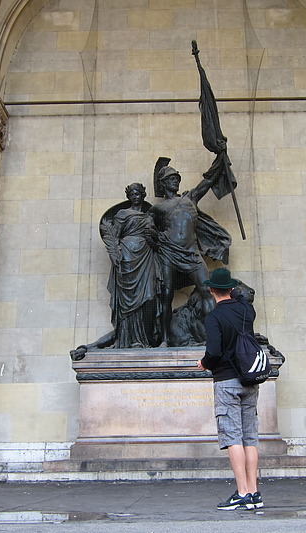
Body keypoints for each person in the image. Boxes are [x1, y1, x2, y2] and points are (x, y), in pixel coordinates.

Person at [197, 267, 262, 511]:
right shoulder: (246, 310)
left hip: (226, 380)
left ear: (211, 289)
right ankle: (254, 492)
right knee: (250, 438)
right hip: (249, 379)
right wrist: (235, 293)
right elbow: (243, 298)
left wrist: (205, 364)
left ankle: (243, 492)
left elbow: (213, 351)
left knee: (233, 437)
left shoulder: (214, 317)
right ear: (231, 289)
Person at [149, 161, 231, 346]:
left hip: (192, 253)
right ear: (162, 184)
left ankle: (214, 336)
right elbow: (144, 227)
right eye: (171, 179)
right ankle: (164, 339)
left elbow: (208, 180)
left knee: (207, 291)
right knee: (166, 294)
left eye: (177, 178)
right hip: (168, 253)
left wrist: (220, 158)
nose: (175, 181)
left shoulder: (190, 198)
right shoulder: (157, 209)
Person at [99, 183, 161, 348]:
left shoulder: (149, 217)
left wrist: (152, 236)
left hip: (146, 257)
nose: (135, 196)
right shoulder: (122, 214)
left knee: (149, 297)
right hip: (127, 257)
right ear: (129, 196)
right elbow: (114, 236)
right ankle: (128, 340)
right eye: (132, 194)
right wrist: (115, 255)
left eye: (138, 193)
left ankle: (145, 339)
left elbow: (158, 243)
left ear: (143, 195)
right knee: (128, 300)